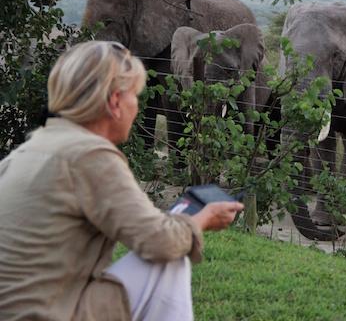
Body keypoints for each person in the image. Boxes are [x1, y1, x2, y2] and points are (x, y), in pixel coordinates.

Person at [0, 41, 244, 321]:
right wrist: (202, 220)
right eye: (136, 96)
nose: (137, 106)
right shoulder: (91, 155)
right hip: (51, 313)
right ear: (115, 102)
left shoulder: (24, 152)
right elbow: (161, 242)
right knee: (170, 257)